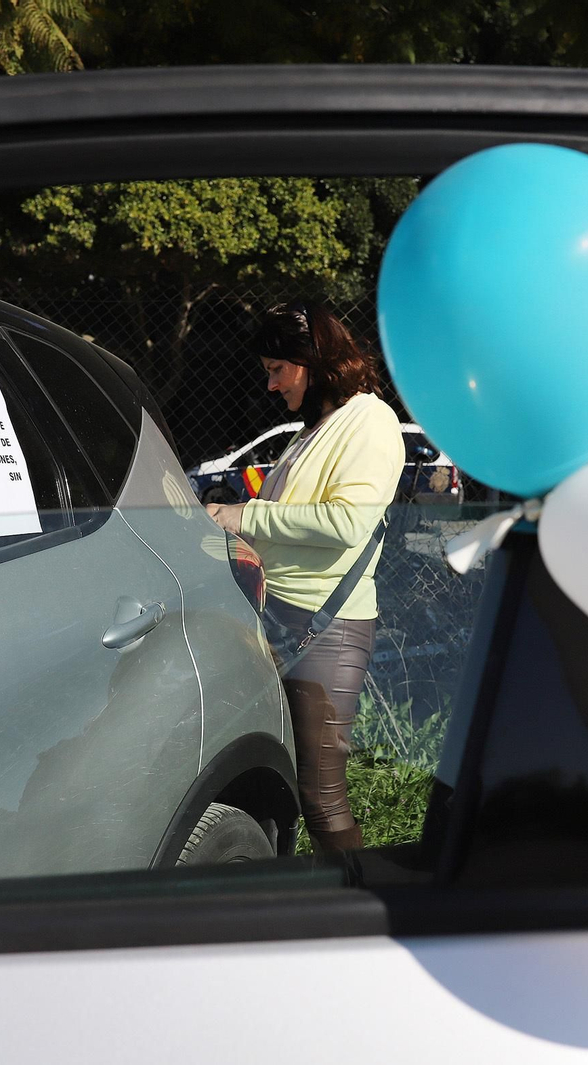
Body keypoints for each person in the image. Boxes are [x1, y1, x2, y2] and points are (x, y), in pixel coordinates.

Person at [206, 301, 405, 854]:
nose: (270, 385)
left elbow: (347, 523)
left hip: (327, 627)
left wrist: (244, 515)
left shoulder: (369, 421)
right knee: (287, 783)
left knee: (321, 796)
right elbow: (286, 526)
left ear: (312, 361)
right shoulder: (316, 428)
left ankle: (365, 921)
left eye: (277, 369)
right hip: (280, 615)